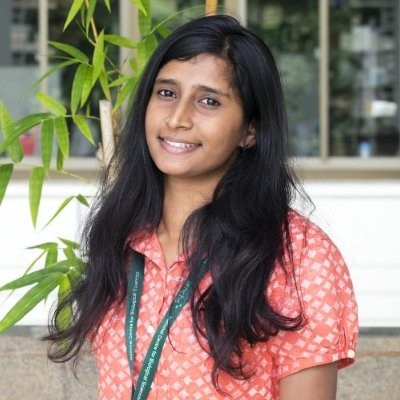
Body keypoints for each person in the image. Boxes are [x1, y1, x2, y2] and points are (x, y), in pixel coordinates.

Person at [46, 15, 358, 400]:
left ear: (250, 129)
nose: (177, 118)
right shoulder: (123, 235)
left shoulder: (297, 256)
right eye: (166, 93)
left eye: (209, 101)